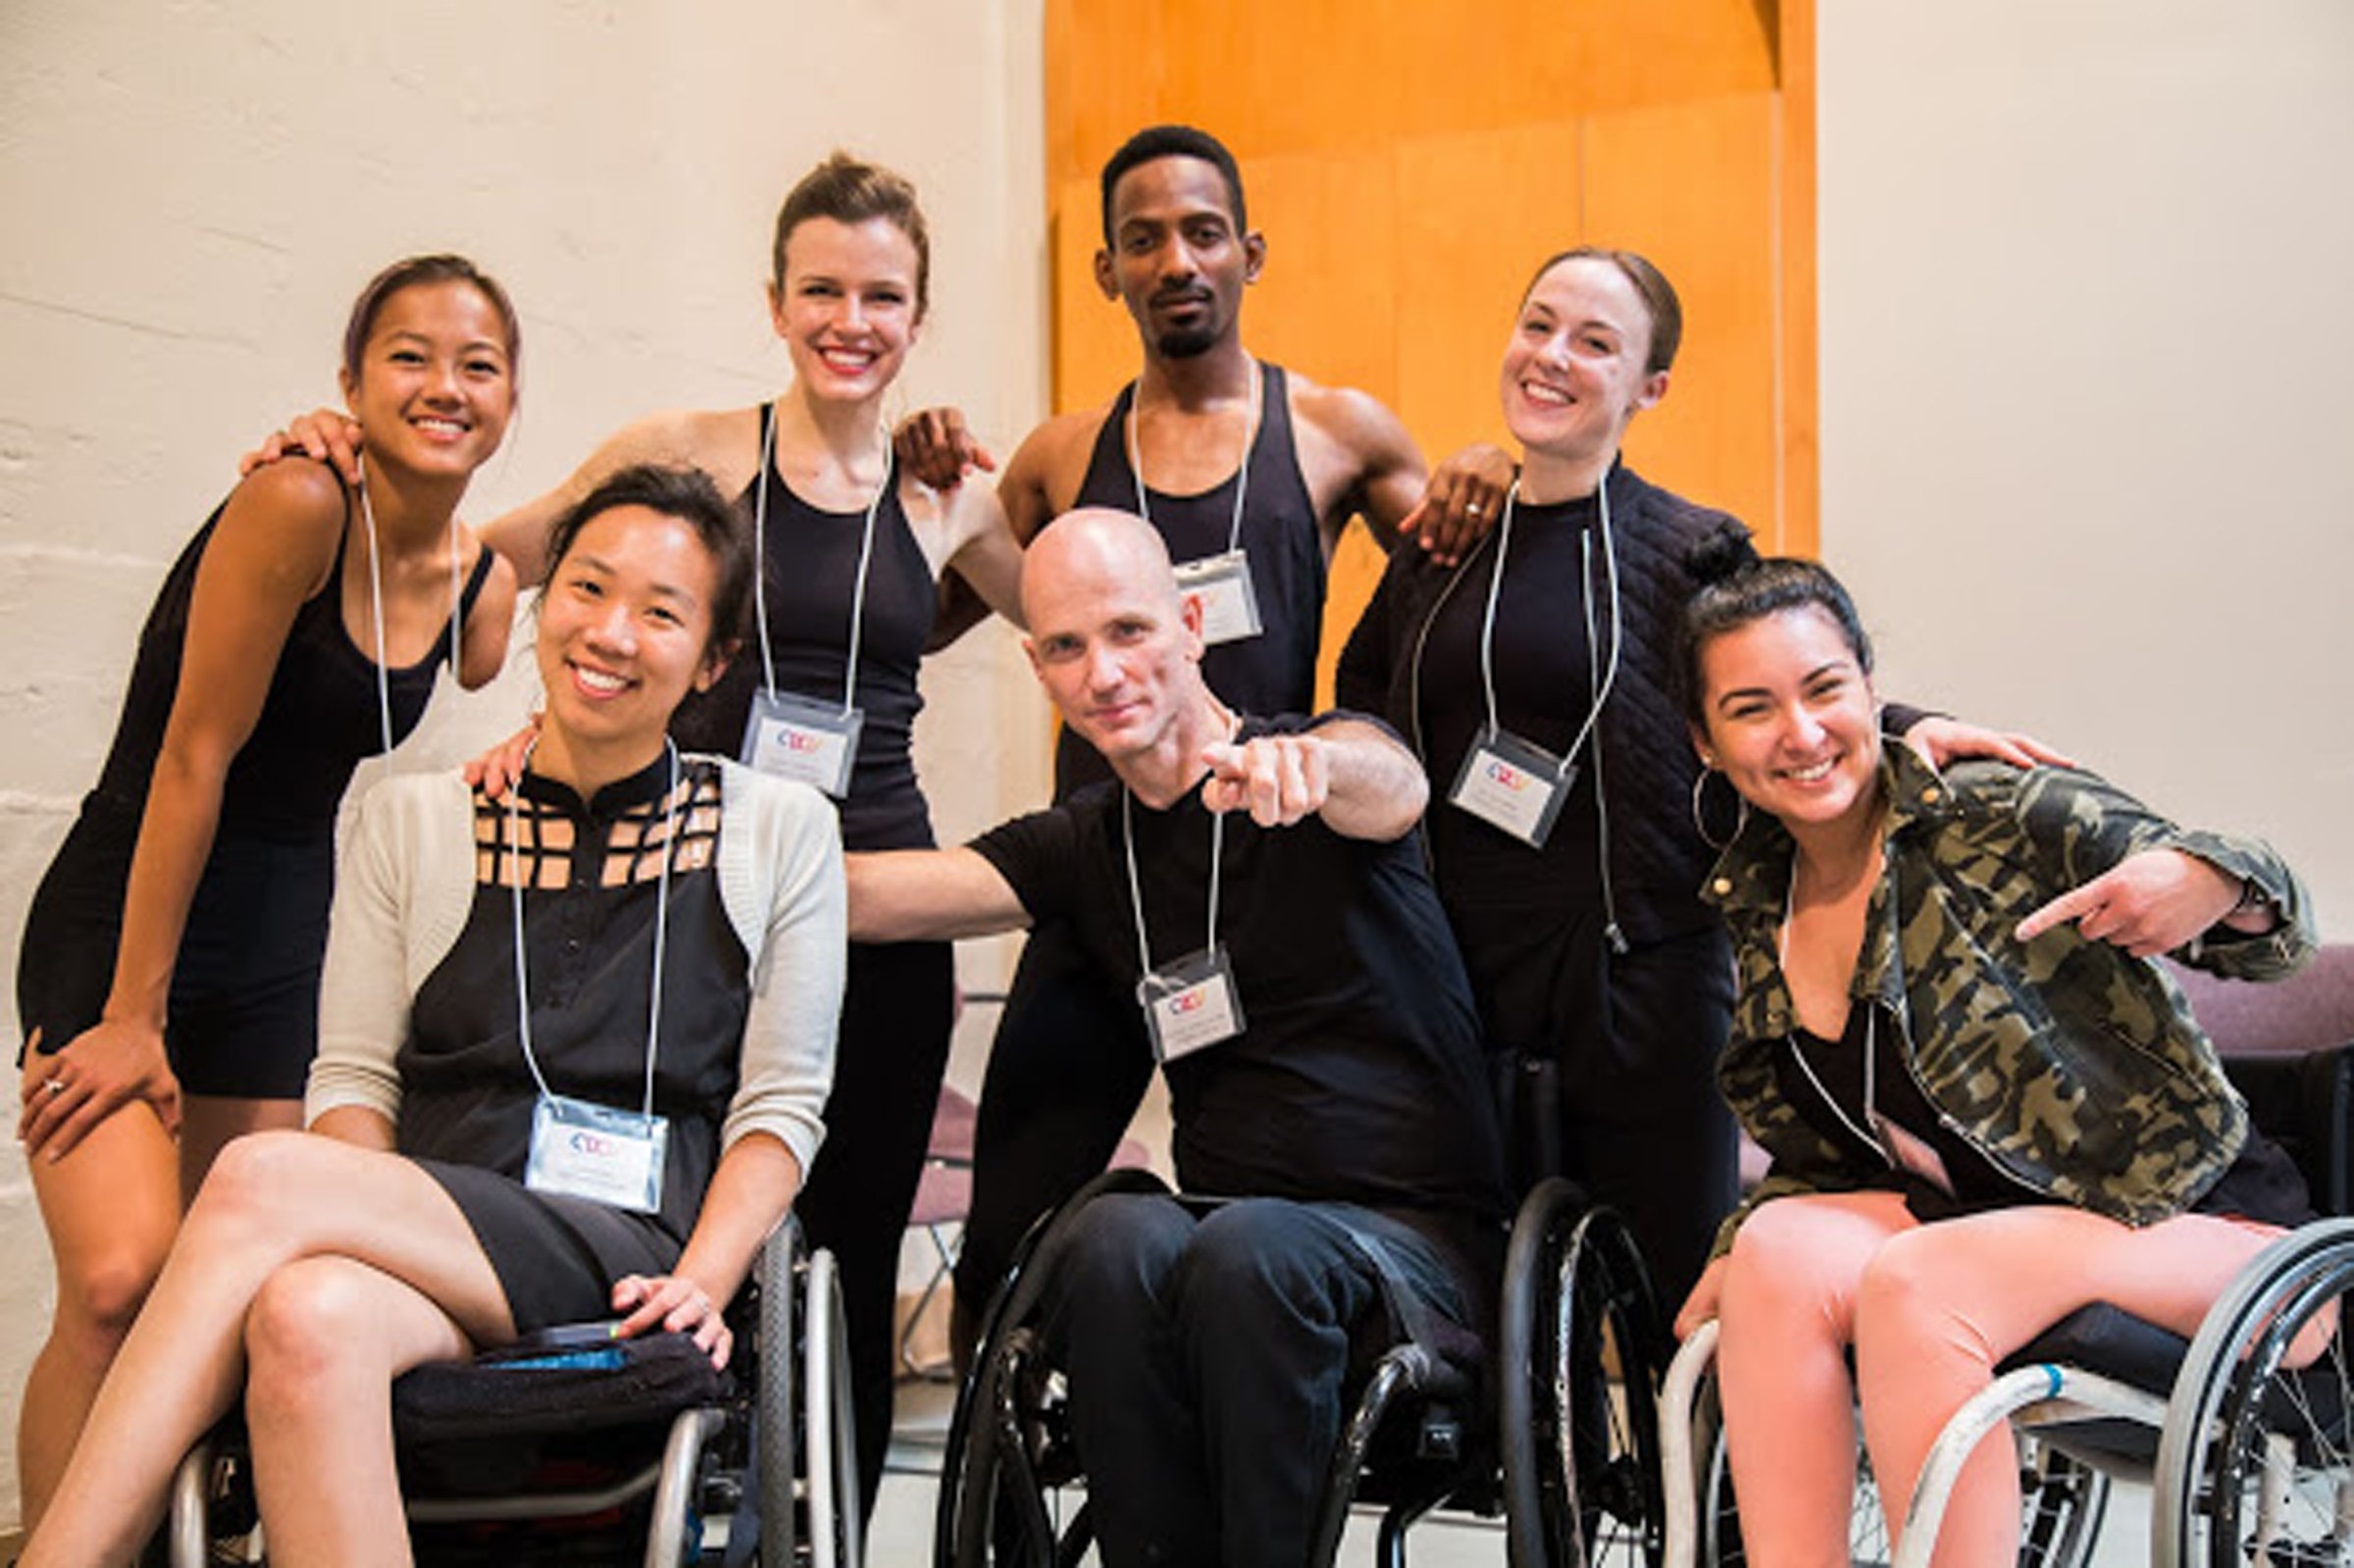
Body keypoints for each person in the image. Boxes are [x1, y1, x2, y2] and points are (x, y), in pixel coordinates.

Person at [245, 152, 1014, 1511]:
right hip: (690, 898)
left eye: (883, 295)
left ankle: (812, 1522)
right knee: (682, 1212)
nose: (852, 319)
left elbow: (1067, 606)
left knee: (842, 1256)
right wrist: (351, 465)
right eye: (822, 288)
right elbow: (488, 556)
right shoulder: (697, 451)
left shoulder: (948, 493)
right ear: (774, 301)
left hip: (872, 912)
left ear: (919, 316)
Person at [21, 464, 845, 1568]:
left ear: (712, 661)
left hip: (629, 1242)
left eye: (660, 613)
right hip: (433, 1228)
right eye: (587, 590)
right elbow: (355, 1084)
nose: (610, 632)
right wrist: (360, 1218)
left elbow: (782, 1108)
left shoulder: (779, 829)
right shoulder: (413, 820)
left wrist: (705, 1277)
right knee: (305, 1316)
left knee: (261, 1178)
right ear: (543, 604)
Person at [1335, 246, 2058, 1305]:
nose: (1552, 357)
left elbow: (1779, 695)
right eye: (1537, 325)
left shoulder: (1689, 549)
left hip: (1641, 980)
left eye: (1595, 342)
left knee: (1670, 1296)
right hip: (1455, 975)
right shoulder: (1445, 543)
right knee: (1484, 1297)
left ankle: (1692, 1479)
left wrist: (1910, 728)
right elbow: (1363, 706)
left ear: (1649, 387)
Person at [898, 123, 1512, 1343]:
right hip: (1111, 882)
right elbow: (908, 623)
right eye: (1143, 240)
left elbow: (1476, 615)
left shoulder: (1340, 431)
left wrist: (1503, 467)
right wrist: (920, 492)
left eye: (1202, 232)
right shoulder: (1063, 455)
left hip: (1279, 882)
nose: (1175, 259)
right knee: (1013, 1221)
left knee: (1254, 1218)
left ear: (1249, 252)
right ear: (1108, 273)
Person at [846, 508, 1507, 1568]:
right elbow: (875, 897)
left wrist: (1318, 770)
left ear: (1192, 624)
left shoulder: (1316, 765)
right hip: (1227, 1242)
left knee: (1251, 1250)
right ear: (1038, 666)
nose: (1104, 673)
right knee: (1109, 1240)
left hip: (1407, 1248)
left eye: (1130, 632)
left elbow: (1395, 785)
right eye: (1067, 647)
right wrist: (685, 812)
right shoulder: (1086, 842)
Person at [1666, 542, 2317, 1567]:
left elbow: (2275, 924)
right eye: (1751, 709)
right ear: (1706, 744)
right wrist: (1729, 1254)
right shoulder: (1761, 892)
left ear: (1873, 692)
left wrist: (2207, 880)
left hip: (2204, 1231)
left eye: (1824, 688)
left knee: (1925, 1279)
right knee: (1776, 1258)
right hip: (1991, 1223)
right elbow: (1825, 1157)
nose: (1799, 732)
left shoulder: (1988, 811)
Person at [11, 254, 522, 1533]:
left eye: (478, 363)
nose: (443, 384)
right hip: (131, 911)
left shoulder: (480, 588)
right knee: (123, 1279)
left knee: (249, 1291)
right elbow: (191, 757)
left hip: (292, 940)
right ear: (347, 381)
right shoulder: (299, 498)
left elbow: (561, 555)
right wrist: (134, 1012)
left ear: (513, 398)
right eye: (407, 355)